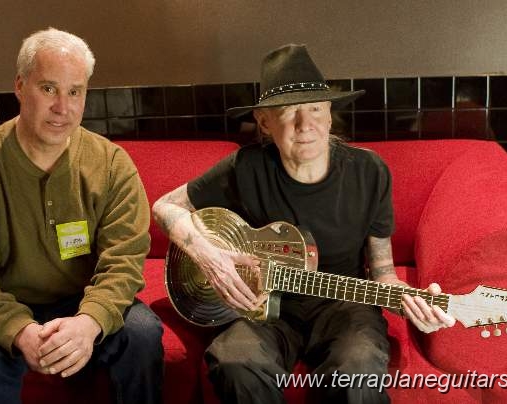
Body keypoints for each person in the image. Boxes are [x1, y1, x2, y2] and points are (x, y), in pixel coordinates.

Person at [152, 44, 455, 403]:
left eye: (314, 108)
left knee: (358, 370)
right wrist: (207, 255)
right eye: (288, 111)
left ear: (329, 115)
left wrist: (412, 303)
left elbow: (383, 269)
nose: (304, 124)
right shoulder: (245, 167)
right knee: (235, 362)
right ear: (264, 121)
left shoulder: (369, 171)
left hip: (345, 305)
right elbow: (165, 206)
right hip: (264, 306)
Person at [0, 27, 163, 404]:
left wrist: (89, 322)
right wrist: (19, 330)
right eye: (49, 89)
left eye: (75, 92)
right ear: (20, 87)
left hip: (83, 299)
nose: (63, 108)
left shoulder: (111, 164)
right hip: (1, 304)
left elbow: (124, 260)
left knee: (141, 333)